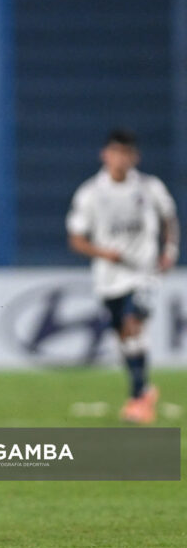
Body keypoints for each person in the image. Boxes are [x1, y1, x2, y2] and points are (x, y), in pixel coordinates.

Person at [66, 129, 179, 423]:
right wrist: (105, 254)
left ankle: (138, 397)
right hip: (109, 277)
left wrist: (170, 250)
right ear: (105, 155)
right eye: (116, 152)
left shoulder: (149, 187)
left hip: (144, 273)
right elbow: (76, 239)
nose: (121, 159)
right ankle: (144, 389)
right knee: (124, 336)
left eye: (127, 153)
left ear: (135, 157)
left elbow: (169, 217)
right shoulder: (90, 192)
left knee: (133, 324)